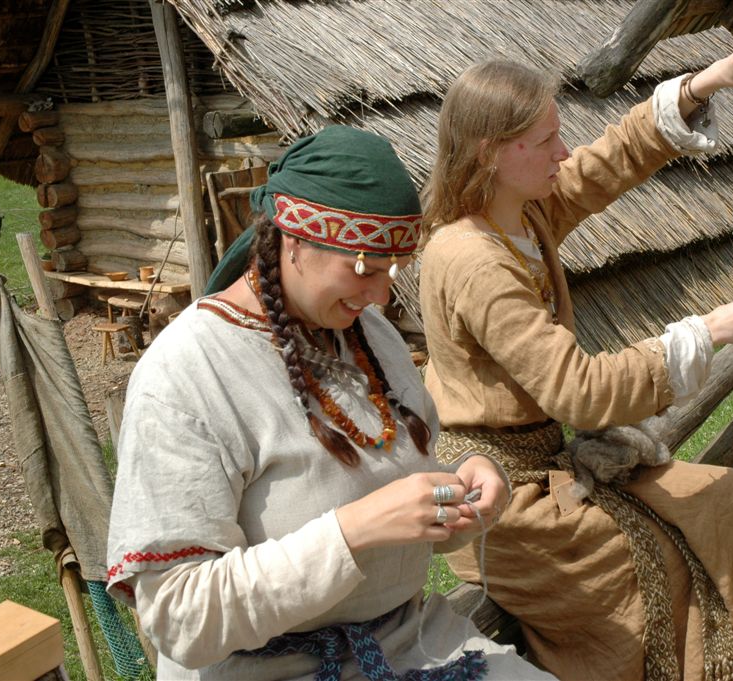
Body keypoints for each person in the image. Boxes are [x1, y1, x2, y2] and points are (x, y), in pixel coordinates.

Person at [418, 42, 733, 681]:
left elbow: (606, 163)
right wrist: (708, 331)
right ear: (491, 152)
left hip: (550, 468)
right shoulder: (473, 261)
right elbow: (578, 392)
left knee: (729, 497)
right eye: (546, 141)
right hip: (500, 502)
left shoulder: (520, 212)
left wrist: (709, 81)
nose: (563, 152)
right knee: (645, 570)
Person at [104, 126, 558, 681]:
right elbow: (178, 616)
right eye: (365, 269)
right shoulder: (187, 374)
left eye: (392, 272)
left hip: (408, 643)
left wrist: (463, 485)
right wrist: (353, 531)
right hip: (267, 670)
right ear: (294, 241)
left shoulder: (370, 337)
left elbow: (388, 489)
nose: (381, 296)